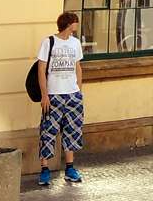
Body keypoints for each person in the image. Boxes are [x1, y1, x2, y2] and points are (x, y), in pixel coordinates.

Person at [36, 12, 85, 186]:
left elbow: (77, 67)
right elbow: (41, 69)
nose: (77, 25)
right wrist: (44, 94)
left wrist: (78, 89)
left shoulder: (75, 43)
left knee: (72, 131)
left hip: (72, 95)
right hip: (54, 95)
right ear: (69, 24)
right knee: (48, 131)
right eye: (75, 22)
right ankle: (44, 169)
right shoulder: (48, 42)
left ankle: (70, 168)